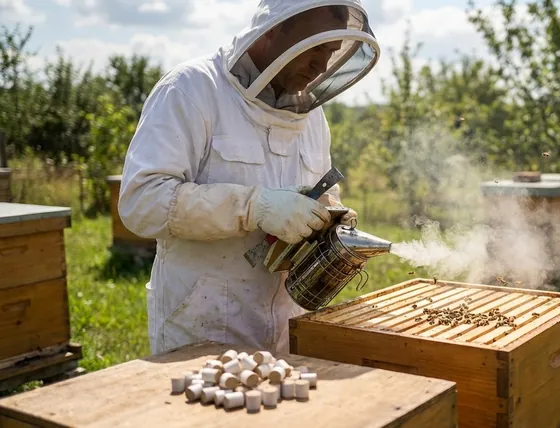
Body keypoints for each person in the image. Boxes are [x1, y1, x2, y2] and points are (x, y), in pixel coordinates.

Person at [117, 0, 380, 356]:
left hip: (289, 323)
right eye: (315, 48)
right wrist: (253, 207)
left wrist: (329, 216)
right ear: (273, 29)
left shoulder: (312, 116)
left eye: (331, 52)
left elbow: (322, 188)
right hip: (203, 324)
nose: (321, 66)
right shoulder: (191, 89)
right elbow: (142, 202)